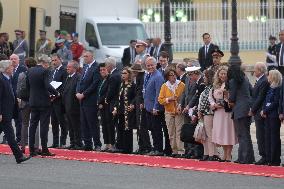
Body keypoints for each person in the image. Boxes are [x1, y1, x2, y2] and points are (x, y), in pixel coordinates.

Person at [27, 55, 59, 157]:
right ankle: (44, 149)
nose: (48, 66)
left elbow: (28, 86)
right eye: (48, 64)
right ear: (45, 63)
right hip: (44, 102)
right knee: (44, 126)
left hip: (33, 101)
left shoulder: (30, 71)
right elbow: (47, 85)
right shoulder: (45, 71)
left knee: (32, 125)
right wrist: (56, 93)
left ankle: (32, 150)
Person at [0, 60, 31, 163]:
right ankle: (19, 156)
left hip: (8, 110)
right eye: (11, 66)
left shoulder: (8, 77)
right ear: (6, 69)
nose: (13, 67)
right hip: (3, 113)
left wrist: (15, 98)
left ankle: (19, 156)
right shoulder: (1, 79)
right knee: (10, 135)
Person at [228, 64, 255, 164]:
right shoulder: (245, 79)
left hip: (239, 110)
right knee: (246, 134)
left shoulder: (233, 81)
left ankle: (244, 158)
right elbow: (252, 92)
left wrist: (229, 101)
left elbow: (232, 98)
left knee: (241, 135)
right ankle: (247, 157)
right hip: (247, 108)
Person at [209, 66, 237, 162]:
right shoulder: (216, 85)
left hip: (227, 112)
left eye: (225, 73)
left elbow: (233, 97)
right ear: (218, 74)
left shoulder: (230, 84)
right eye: (221, 73)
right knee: (221, 133)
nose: (223, 75)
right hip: (218, 113)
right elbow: (210, 97)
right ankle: (224, 154)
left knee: (228, 133)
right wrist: (214, 104)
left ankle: (229, 155)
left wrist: (226, 99)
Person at [76, 50, 101, 151]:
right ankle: (87, 143)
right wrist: (77, 92)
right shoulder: (85, 67)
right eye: (84, 56)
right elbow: (80, 81)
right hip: (82, 99)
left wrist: (84, 94)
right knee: (84, 122)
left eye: (86, 56)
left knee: (92, 122)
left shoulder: (96, 67)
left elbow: (94, 84)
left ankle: (97, 144)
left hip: (90, 99)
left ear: (91, 57)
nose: (84, 58)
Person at [158, 69, 185, 157]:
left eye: (174, 75)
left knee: (179, 131)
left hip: (178, 111)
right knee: (171, 132)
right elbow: (160, 100)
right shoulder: (164, 86)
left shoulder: (181, 85)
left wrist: (180, 104)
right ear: (167, 77)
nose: (173, 77)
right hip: (169, 111)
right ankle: (174, 150)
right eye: (171, 75)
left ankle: (181, 151)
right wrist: (169, 99)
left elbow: (184, 97)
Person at [17, 57, 40, 154]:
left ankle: (22, 145)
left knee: (24, 124)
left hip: (24, 101)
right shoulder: (37, 75)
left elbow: (18, 89)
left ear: (26, 65)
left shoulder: (22, 74)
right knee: (35, 123)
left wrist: (19, 98)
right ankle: (35, 146)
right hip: (34, 100)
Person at [143, 56, 164, 156]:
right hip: (148, 107)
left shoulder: (158, 76)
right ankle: (155, 147)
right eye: (148, 65)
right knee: (152, 129)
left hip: (155, 109)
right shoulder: (149, 75)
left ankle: (158, 149)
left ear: (156, 65)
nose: (150, 67)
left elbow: (158, 94)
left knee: (156, 130)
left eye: (152, 65)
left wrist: (156, 107)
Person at [261, 70, 282, 166]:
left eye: (269, 75)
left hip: (273, 115)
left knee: (274, 138)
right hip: (268, 115)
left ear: (273, 76)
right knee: (268, 137)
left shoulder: (278, 88)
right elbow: (266, 100)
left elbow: (275, 102)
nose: (267, 76)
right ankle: (269, 158)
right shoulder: (270, 87)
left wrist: (265, 110)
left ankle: (274, 160)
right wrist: (263, 110)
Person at [249, 62, 269, 165]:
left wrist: (252, 109)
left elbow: (260, 97)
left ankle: (265, 156)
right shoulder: (260, 80)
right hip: (257, 112)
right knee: (259, 135)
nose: (253, 71)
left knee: (261, 135)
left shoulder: (264, 81)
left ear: (260, 70)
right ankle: (263, 155)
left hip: (260, 112)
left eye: (255, 69)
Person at [112, 68, 136, 153]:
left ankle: (127, 148)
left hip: (128, 111)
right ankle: (120, 146)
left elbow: (135, 97)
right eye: (122, 73)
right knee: (120, 128)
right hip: (120, 110)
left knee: (127, 129)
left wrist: (132, 104)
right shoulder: (121, 84)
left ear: (129, 74)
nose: (123, 75)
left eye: (125, 73)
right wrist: (115, 108)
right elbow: (118, 98)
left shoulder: (132, 85)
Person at [198, 69, 220, 161]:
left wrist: (201, 110)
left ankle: (212, 154)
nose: (204, 78)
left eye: (205, 76)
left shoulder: (212, 88)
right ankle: (206, 153)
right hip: (204, 113)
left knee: (209, 134)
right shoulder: (207, 87)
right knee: (205, 135)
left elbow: (207, 101)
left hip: (208, 113)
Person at [129, 63, 152, 154]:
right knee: (139, 127)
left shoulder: (141, 78)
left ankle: (146, 146)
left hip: (141, 104)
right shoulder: (139, 78)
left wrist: (141, 102)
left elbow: (141, 93)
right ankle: (142, 146)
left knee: (142, 127)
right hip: (138, 103)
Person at [62, 60, 82, 150]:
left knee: (76, 126)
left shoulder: (78, 77)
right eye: (67, 66)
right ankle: (72, 142)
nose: (67, 68)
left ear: (74, 68)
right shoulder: (68, 77)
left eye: (69, 67)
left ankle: (78, 143)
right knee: (70, 126)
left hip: (74, 107)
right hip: (67, 106)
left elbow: (77, 90)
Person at [50, 54, 68, 148]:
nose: (54, 62)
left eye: (55, 60)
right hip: (51, 100)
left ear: (60, 60)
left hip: (59, 101)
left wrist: (57, 94)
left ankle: (63, 142)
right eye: (52, 60)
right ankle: (55, 142)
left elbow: (65, 85)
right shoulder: (52, 71)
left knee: (62, 122)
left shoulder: (64, 71)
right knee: (53, 122)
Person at [105, 57, 121, 152]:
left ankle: (112, 145)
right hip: (117, 102)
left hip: (113, 103)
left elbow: (111, 91)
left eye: (106, 65)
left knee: (111, 125)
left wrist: (107, 99)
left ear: (109, 66)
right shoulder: (117, 73)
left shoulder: (113, 76)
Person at [10, 54, 27, 143]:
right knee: (8, 120)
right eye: (11, 59)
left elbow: (24, 84)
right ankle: (8, 137)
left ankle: (20, 138)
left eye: (15, 59)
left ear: (18, 60)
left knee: (19, 120)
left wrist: (20, 96)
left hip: (19, 98)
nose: (13, 60)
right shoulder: (7, 69)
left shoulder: (23, 69)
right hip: (9, 98)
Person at [97, 63, 111, 151]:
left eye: (104, 70)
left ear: (108, 70)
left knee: (109, 125)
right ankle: (106, 143)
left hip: (107, 105)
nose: (102, 71)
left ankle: (110, 144)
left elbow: (107, 93)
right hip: (101, 105)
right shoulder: (102, 80)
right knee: (104, 125)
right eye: (101, 70)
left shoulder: (110, 79)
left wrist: (100, 102)